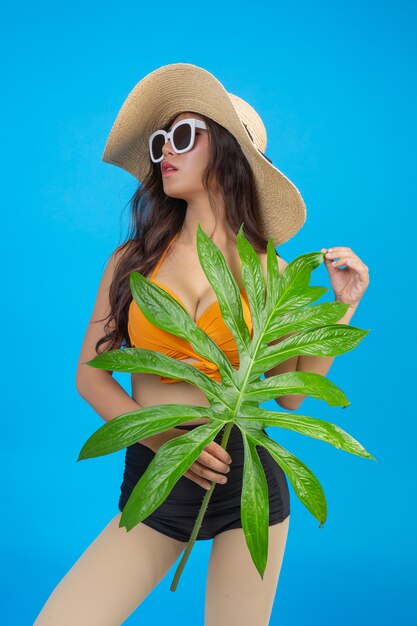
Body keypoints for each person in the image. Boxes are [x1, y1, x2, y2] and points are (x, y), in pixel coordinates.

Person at [34, 63, 368, 625]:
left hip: (248, 483)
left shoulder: (270, 271)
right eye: (162, 139)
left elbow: (290, 394)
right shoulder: (131, 263)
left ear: (229, 153)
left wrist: (341, 308)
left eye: (183, 136)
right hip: (160, 476)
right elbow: (90, 376)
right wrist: (167, 441)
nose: (164, 150)